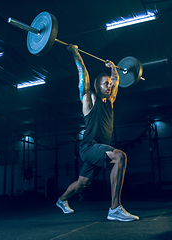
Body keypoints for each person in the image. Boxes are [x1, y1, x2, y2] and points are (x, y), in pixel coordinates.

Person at [56, 45, 139, 222]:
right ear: (96, 86)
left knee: (82, 183)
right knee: (120, 157)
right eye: (105, 84)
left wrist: (113, 68)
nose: (109, 86)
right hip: (89, 147)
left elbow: (116, 81)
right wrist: (75, 52)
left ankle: (61, 200)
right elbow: (83, 75)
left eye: (109, 84)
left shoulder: (110, 101)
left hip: (98, 148)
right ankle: (115, 208)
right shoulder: (89, 99)